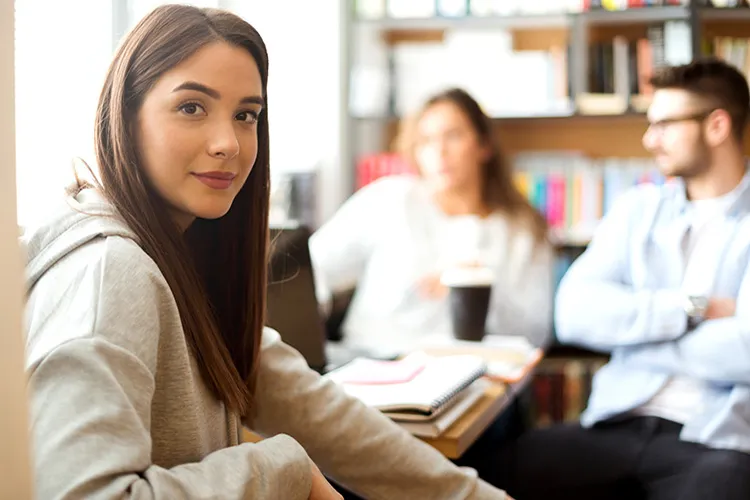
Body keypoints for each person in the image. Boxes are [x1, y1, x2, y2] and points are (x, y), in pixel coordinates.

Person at [21, 5, 511, 499]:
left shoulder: (183, 262)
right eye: (191, 107)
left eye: (245, 115)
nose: (228, 143)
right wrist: (279, 471)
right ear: (124, 115)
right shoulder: (113, 272)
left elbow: (320, 413)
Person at [494, 58, 750, 500]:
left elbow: (745, 351)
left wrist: (635, 337)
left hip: (715, 440)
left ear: (717, 126)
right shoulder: (638, 209)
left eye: (665, 124)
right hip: (614, 423)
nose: (649, 139)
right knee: (478, 478)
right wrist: (693, 308)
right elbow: (572, 312)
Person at [310, 88, 554, 353]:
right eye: (426, 140)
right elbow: (311, 266)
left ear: (484, 145)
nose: (440, 151)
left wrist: (479, 289)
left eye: (453, 136)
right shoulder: (389, 199)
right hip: (367, 359)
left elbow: (536, 331)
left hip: (464, 370)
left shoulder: (521, 231)